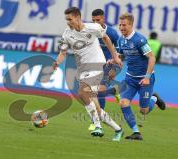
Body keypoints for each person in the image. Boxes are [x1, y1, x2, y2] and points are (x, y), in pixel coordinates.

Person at [52, 7, 124, 141]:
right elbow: (63, 52)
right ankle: (118, 129)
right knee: (95, 106)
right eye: (66, 19)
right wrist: (57, 63)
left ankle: (97, 126)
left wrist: (115, 57)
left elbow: (106, 38)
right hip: (83, 69)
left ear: (78, 18)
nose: (68, 22)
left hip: (97, 65)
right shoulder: (67, 33)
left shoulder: (93, 28)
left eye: (70, 19)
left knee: (82, 93)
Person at [117, 13, 166, 140]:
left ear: (131, 25)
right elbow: (121, 56)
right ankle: (136, 132)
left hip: (145, 79)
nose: (122, 27)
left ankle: (154, 99)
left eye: (124, 25)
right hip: (130, 78)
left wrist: (147, 77)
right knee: (123, 102)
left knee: (143, 110)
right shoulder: (120, 40)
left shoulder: (140, 40)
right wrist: (115, 60)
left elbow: (152, 58)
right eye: (120, 25)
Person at [88, 9, 121, 131]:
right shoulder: (90, 30)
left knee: (99, 92)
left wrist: (115, 67)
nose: (95, 23)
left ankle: (96, 123)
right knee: (91, 92)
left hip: (109, 64)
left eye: (98, 20)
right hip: (95, 64)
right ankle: (113, 91)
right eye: (93, 20)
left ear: (103, 19)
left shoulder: (112, 33)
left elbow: (120, 51)